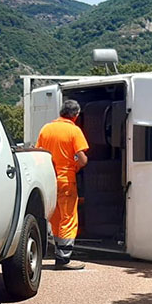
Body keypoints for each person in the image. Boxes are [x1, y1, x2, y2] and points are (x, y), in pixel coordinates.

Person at [36, 100, 89, 270]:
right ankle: (64, 258)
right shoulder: (74, 131)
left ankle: (59, 252)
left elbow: (38, 154)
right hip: (66, 180)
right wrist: (76, 165)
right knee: (68, 218)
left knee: (55, 218)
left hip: (50, 180)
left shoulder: (46, 129)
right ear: (76, 115)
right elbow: (82, 158)